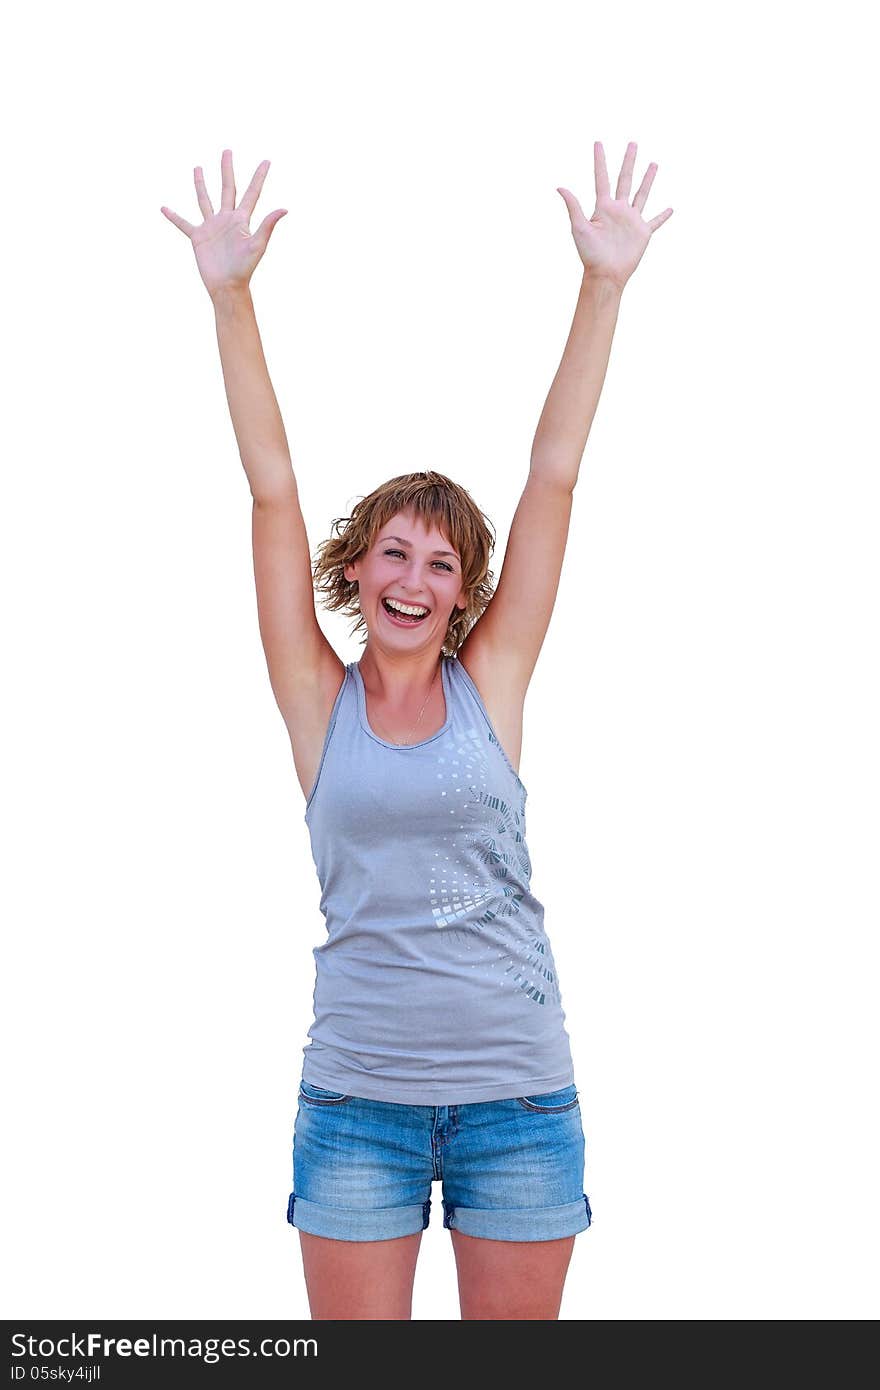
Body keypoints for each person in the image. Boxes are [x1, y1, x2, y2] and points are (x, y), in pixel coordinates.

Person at [161, 143, 672, 1320]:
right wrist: (231, 300)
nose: (414, 575)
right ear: (356, 570)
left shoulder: (493, 680)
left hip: (517, 1102)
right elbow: (271, 488)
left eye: (441, 564)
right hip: (355, 1103)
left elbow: (554, 478)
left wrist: (602, 288)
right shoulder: (315, 699)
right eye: (394, 549)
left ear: (461, 595)